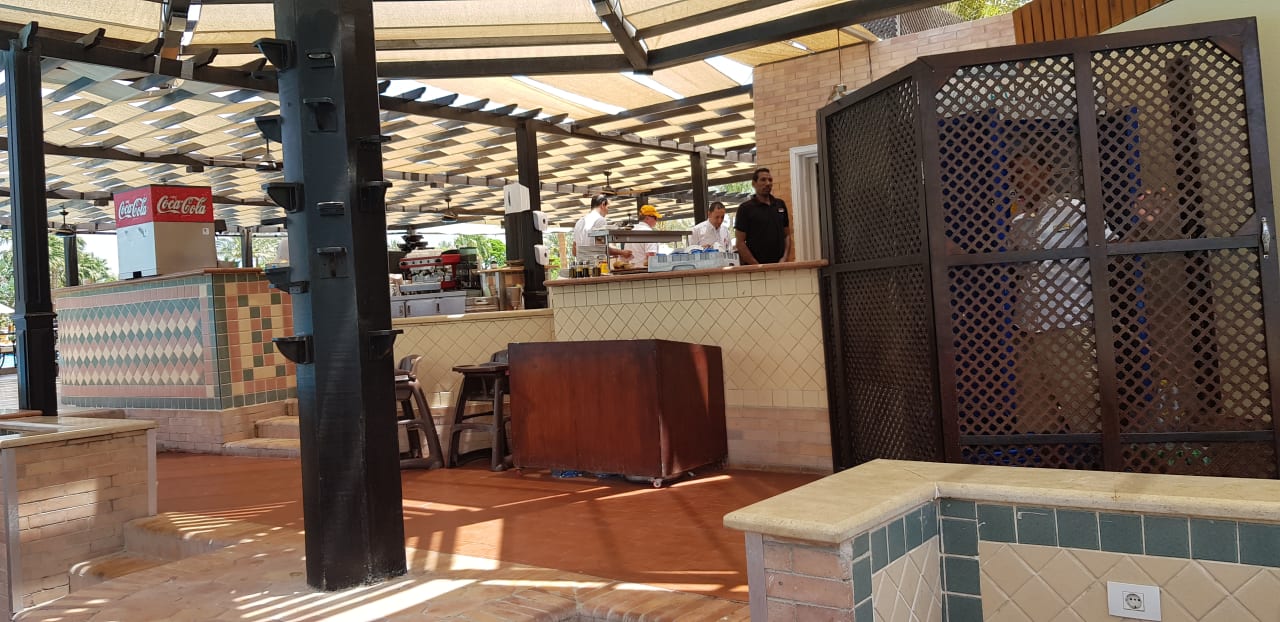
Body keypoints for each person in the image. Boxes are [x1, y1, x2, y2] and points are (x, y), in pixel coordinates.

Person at [735, 168, 792, 264]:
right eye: (763, 180)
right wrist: (756, 266)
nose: (768, 183)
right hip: (757, 267)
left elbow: (787, 235)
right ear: (754, 183)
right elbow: (740, 242)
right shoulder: (745, 208)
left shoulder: (780, 204)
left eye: (770, 180)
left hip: (780, 265)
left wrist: (785, 258)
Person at [572, 194, 633, 264]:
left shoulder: (579, 222)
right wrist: (622, 252)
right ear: (603, 204)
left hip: (581, 267)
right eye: (608, 207)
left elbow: (574, 252)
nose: (607, 211)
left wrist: (585, 254)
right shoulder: (600, 220)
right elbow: (601, 248)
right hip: (596, 267)